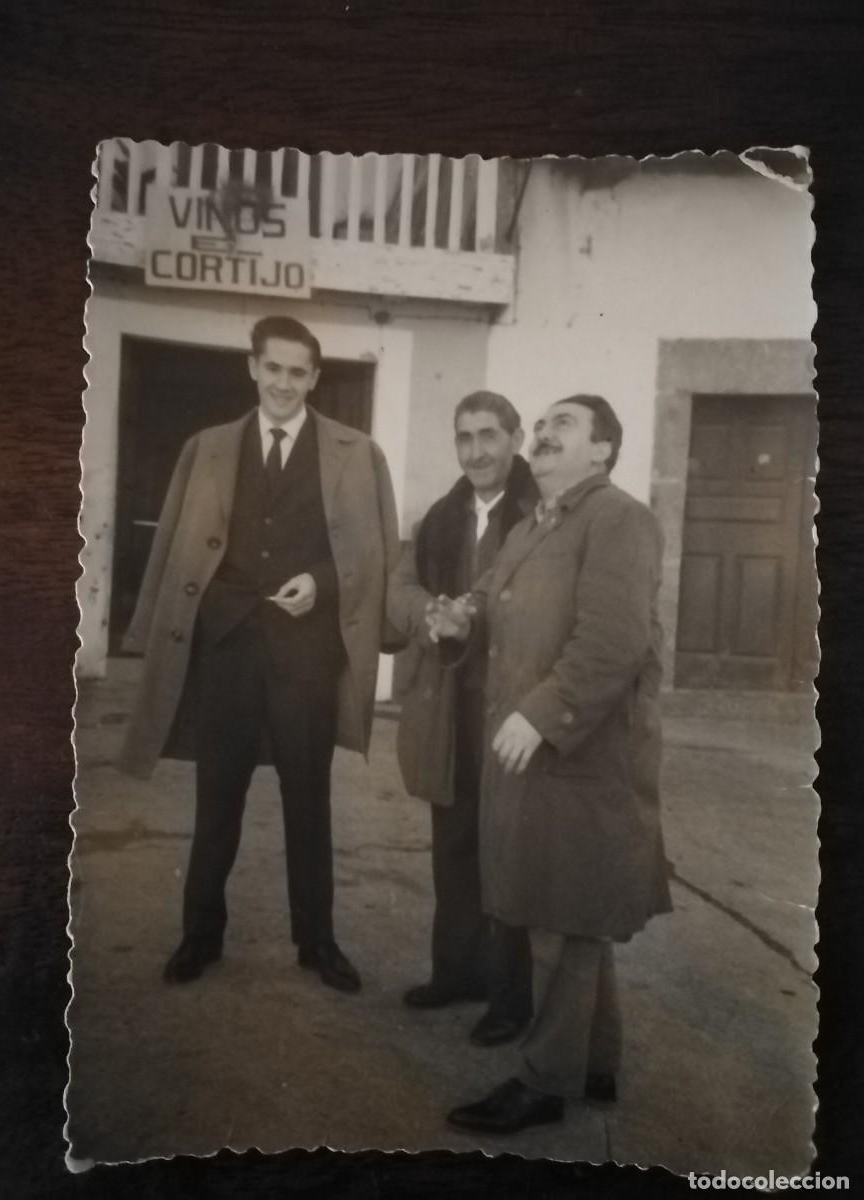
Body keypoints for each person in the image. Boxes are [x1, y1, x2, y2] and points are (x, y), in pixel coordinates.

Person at [118, 315, 400, 994]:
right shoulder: (208, 448)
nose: (283, 383)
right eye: (272, 368)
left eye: (297, 372)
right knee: (217, 800)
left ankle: (318, 942)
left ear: (314, 378)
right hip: (226, 649)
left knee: (309, 801)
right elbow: (174, 549)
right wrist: (149, 633)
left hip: (306, 655)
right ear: (252, 368)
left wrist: (324, 583)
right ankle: (199, 937)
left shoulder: (355, 453)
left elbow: (377, 553)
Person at [430, 395, 672, 1135]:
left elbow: (613, 641)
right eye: (538, 427)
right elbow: (488, 599)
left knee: (560, 914)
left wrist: (541, 714)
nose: (538, 436)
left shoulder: (618, 519)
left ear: (601, 450)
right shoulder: (540, 521)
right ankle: (594, 1063)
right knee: (569, 910)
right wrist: (458, 617)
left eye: (559, 426)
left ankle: (544, 1081)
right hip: (535, 755)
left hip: (579, 754)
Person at [388, 391, 538, 1047]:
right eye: (464, 437)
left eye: (488, 435)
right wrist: (429, 615)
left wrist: (472, 617)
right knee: (452, 843)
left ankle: (508, 999)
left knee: (508, 852)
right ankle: (455, 973)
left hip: (511, 706)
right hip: (450, 703)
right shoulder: (439, 516)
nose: (475, 451)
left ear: (515, 438)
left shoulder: (541, 514)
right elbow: (398, 591)